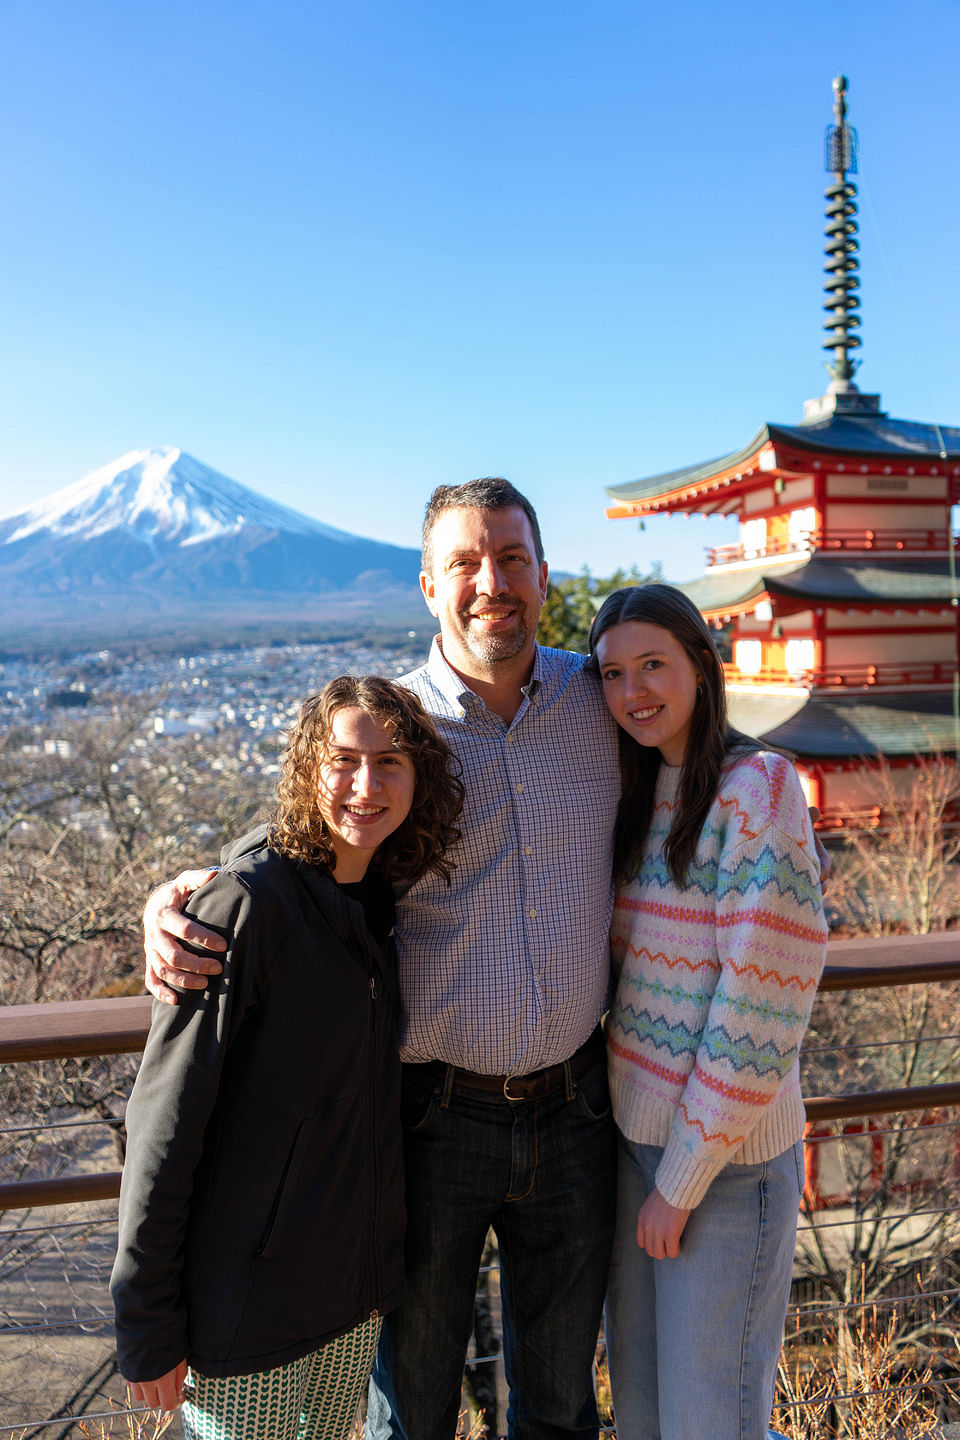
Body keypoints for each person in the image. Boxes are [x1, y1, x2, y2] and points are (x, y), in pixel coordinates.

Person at [141, 478, 623, 1440]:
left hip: (578, 1104)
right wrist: (177, 895)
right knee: (414, 1404)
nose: (493, 583)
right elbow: (297, 841)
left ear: (542, 570)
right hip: (430, 1118)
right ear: (427, 585)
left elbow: (697, 749)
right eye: (466, 562)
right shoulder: (393, 731)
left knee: (564, 1404)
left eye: (513, 559)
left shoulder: (597, 700)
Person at [111, 675, 463, 1440]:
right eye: (343, 760)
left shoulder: (377, 899)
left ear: (417, 779)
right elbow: (165, 1121)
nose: (366, 785)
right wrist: (146, 1324)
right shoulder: (246, 905)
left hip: (349, 1300)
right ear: (308, 769)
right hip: (248, 1316)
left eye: (392, 762)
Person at [589, 584, 829, 1440]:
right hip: (634, 1150)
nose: (634, 691)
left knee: (711, 1423)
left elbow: (763, 1005)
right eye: (613, 672)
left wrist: (681, 1180)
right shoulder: (632, 789)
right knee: (646, 1420)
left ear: (701, 664)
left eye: (654, 663)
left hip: (722, 1171)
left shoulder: (758, 788)